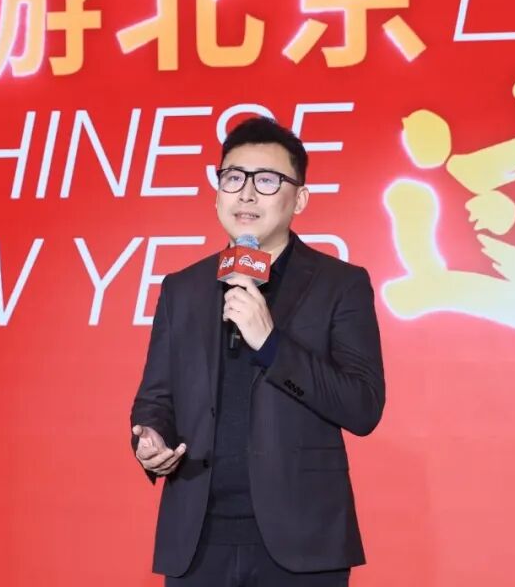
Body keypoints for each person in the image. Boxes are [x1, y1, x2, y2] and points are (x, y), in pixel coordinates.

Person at [130, 116, 385, 586]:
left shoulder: (340, 284)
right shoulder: (182, 289)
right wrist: (150, 441)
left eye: (267, 181)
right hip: (197, 544)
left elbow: (362, 406)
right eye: (233, 178)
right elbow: (155, 398)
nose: (246, 194)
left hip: (302, 545)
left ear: (299, 199)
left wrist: (271, 345)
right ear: (217, 193)